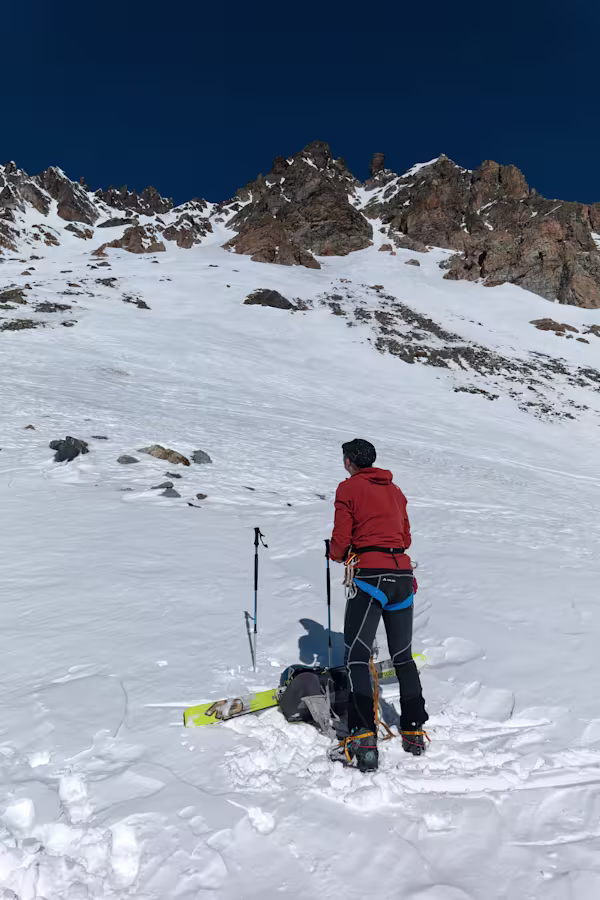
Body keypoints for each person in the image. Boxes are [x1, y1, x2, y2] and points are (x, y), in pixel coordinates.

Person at [329, 438, 428, 772]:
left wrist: (337, 553)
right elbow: (405, 536)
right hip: (401, 575)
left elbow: (342, 536)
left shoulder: (348, 488)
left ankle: (363, 737)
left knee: (357, 656)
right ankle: (414, 730)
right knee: (403, 657)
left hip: (369, 576)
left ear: (348, 461)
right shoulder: (396, 491)